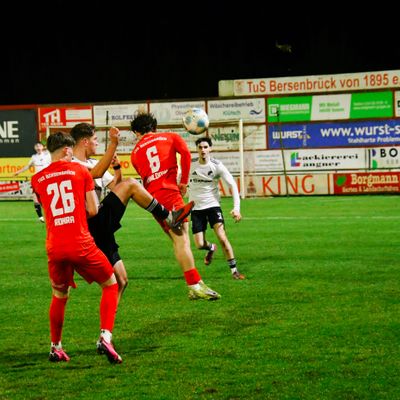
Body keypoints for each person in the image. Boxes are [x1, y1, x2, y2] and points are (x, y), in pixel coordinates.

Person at [70, 122, 192, 303]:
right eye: (95, 139)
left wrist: (117, 168)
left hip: (100, 227)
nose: (97, 143)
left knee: (121, 282)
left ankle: (108, 322)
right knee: (132, 184)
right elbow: (96, 173)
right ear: (85, 142)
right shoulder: (71, 163)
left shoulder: (93, 163)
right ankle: (168, 216)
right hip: (86, 225)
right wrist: (113, 144)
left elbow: (116, 186)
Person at [31, 132, 122, 364]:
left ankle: (56, 347)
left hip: (55, 245)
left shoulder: (38, 179)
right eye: (71, 150)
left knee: (59, 295)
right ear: (66, 150)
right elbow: (93, 210)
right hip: (80, 242)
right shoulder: (80, 171)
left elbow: (49, 211)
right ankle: (105, 337)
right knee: (111, 284)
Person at [130, 111, 221, 301]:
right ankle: (194, 285)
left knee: (178, 240)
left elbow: (144, 176)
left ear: (137, 132)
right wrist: (184, 182)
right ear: (154, 127)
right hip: (170, 193)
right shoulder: (170, 137)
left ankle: (194, 285)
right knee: (182, 240)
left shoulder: (135, 153)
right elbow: (186, 154)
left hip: (152, 199)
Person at [189, 137, 245, 280]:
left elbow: (232, 184)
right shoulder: (190, 164)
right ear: (197, 149)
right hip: (196, 208)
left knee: (222, 237)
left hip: (213, 206)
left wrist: (236, 208)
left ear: (210, 149)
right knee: (199, 244)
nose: (203, 150)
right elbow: (178, 178)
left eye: (205, 147)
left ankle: (234, 271)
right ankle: (211, 248)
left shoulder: (217, 165)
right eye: (200, 147)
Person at [14, 142, 51, 222]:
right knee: (35, 199)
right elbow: (28, 166)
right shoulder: (34, 157)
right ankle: (40, 217)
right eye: (36, 146)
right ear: (34, 148)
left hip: (47, 180)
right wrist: (18, 172)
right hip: (38, 180)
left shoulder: (48, 155)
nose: (38, 147)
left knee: (48, 200)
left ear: (43, 147)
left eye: (39, 145)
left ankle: (50, 216)